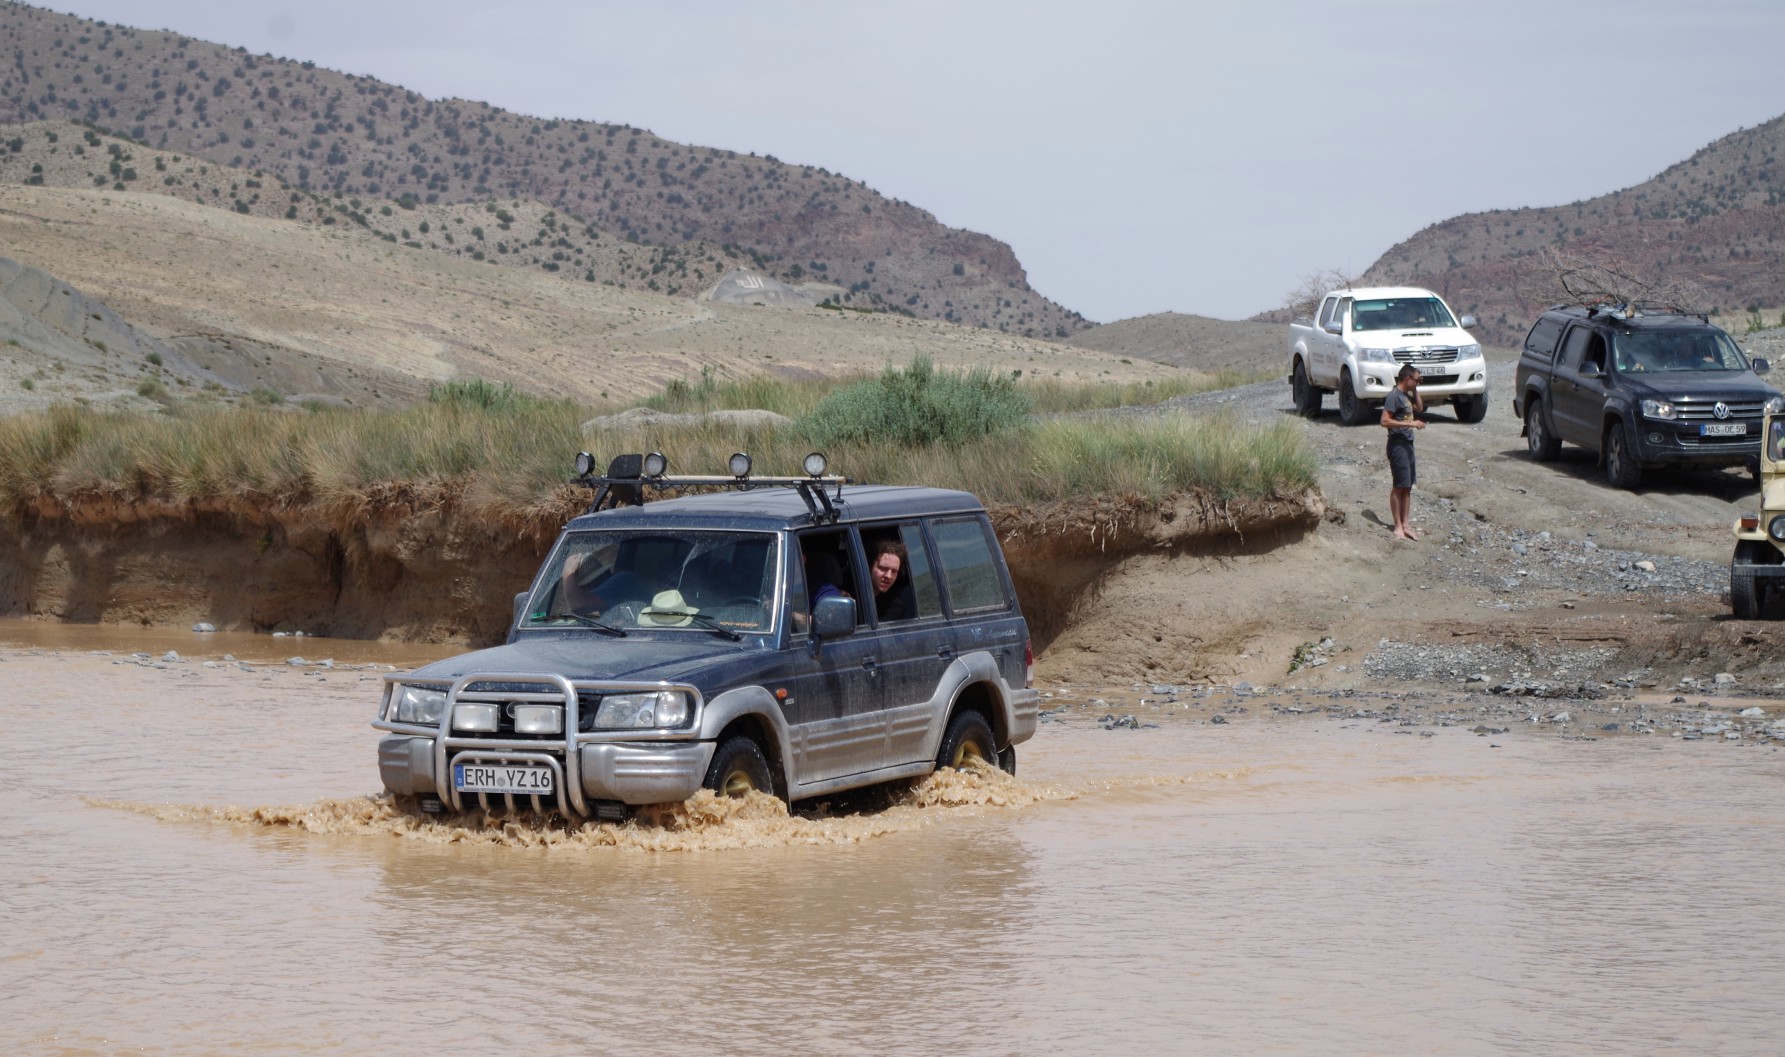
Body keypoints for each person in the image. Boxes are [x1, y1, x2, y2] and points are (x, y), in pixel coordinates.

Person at [1380, 364, 1425, 541]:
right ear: (1407, 379)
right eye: (1416, 379)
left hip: (1408, 444)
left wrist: (1416, 389)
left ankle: (1406, 524)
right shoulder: (1393, 396)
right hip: (1397, 444)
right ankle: (1397, 525)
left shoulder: (1406, 396)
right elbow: (1384, 421)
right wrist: (1411, 424)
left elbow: (1420, 408)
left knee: (1407, 486)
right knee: (1399, 486)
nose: (1418, 382)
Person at [869, 539, 909, 621]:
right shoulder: (848, 595)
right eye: (883, 568)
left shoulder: (894, 606)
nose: (888, 576)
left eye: (894, 571)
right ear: (870, 566)